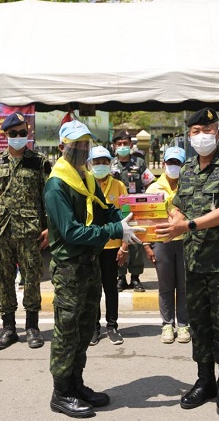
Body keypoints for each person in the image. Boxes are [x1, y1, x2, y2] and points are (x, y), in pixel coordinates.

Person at [44, 120, 143, 418]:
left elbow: (103, 209)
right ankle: (61, 392)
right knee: (67, 331)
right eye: (76, 144)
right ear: (62, 147)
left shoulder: (85, 178)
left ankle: (76, 384)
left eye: (85, 143)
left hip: (89, 265)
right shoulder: (57, 185)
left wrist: (125, 218)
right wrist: (114, 230)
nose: (82, 149)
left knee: (86, 327)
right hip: (69, 268)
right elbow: (71, 231)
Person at [156, 107, 219, 417]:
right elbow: (179, 204)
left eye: (206, 131)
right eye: (195, 132)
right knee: (200, 323)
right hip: (195, 262)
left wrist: (188, 225)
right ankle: (205, 379)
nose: (201, 136)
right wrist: (175, 217)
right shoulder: (188, 169)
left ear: (218, 133)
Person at [0, 111, 51, 350]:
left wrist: (50, 228)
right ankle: (9, 329)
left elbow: (50, 197)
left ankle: (32, 328)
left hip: (30, 231)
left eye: (22, 133)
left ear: (28, 133)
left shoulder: (39, 161)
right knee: (3, 279)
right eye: (13, 133)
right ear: (5, 134)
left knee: (32, 278)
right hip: (2, 231)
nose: (18, 136)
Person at [145, 146, 190, 344]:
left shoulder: (189, 187)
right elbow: (145, 219)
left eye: (177, 163)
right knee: (165, 286)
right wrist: (146, 245)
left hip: (186, 241)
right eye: (171, 162)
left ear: (183, 165)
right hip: (161, 242)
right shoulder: (154, 188)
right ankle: (167, 324)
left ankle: (184, 324)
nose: (174, 166)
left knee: (184, 286)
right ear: (164, 164)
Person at [88, 145, 128, 346]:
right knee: (92, 289)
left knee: (111, 288)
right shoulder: (85, 184)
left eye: (104, 161)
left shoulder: (119, 186)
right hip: (91, 245)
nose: (101, 165)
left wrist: (124, 246)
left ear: (110, 163)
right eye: (97, 162)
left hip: (112, 247)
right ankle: (94, 328)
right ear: (90, 163)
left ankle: (112, 327)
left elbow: (127, 216)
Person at [111, 130, 155, 292]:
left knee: (135, 242)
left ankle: (135, 277)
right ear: (114, 146)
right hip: (116, 210)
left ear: (130, 144)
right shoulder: (110, 164)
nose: (122, 146)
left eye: (125, 143)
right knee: (118, 242)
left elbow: (150, 183)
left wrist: (147, 202)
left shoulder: (139, 163)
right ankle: (121, 277)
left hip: (136, 210)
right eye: (119, 144)